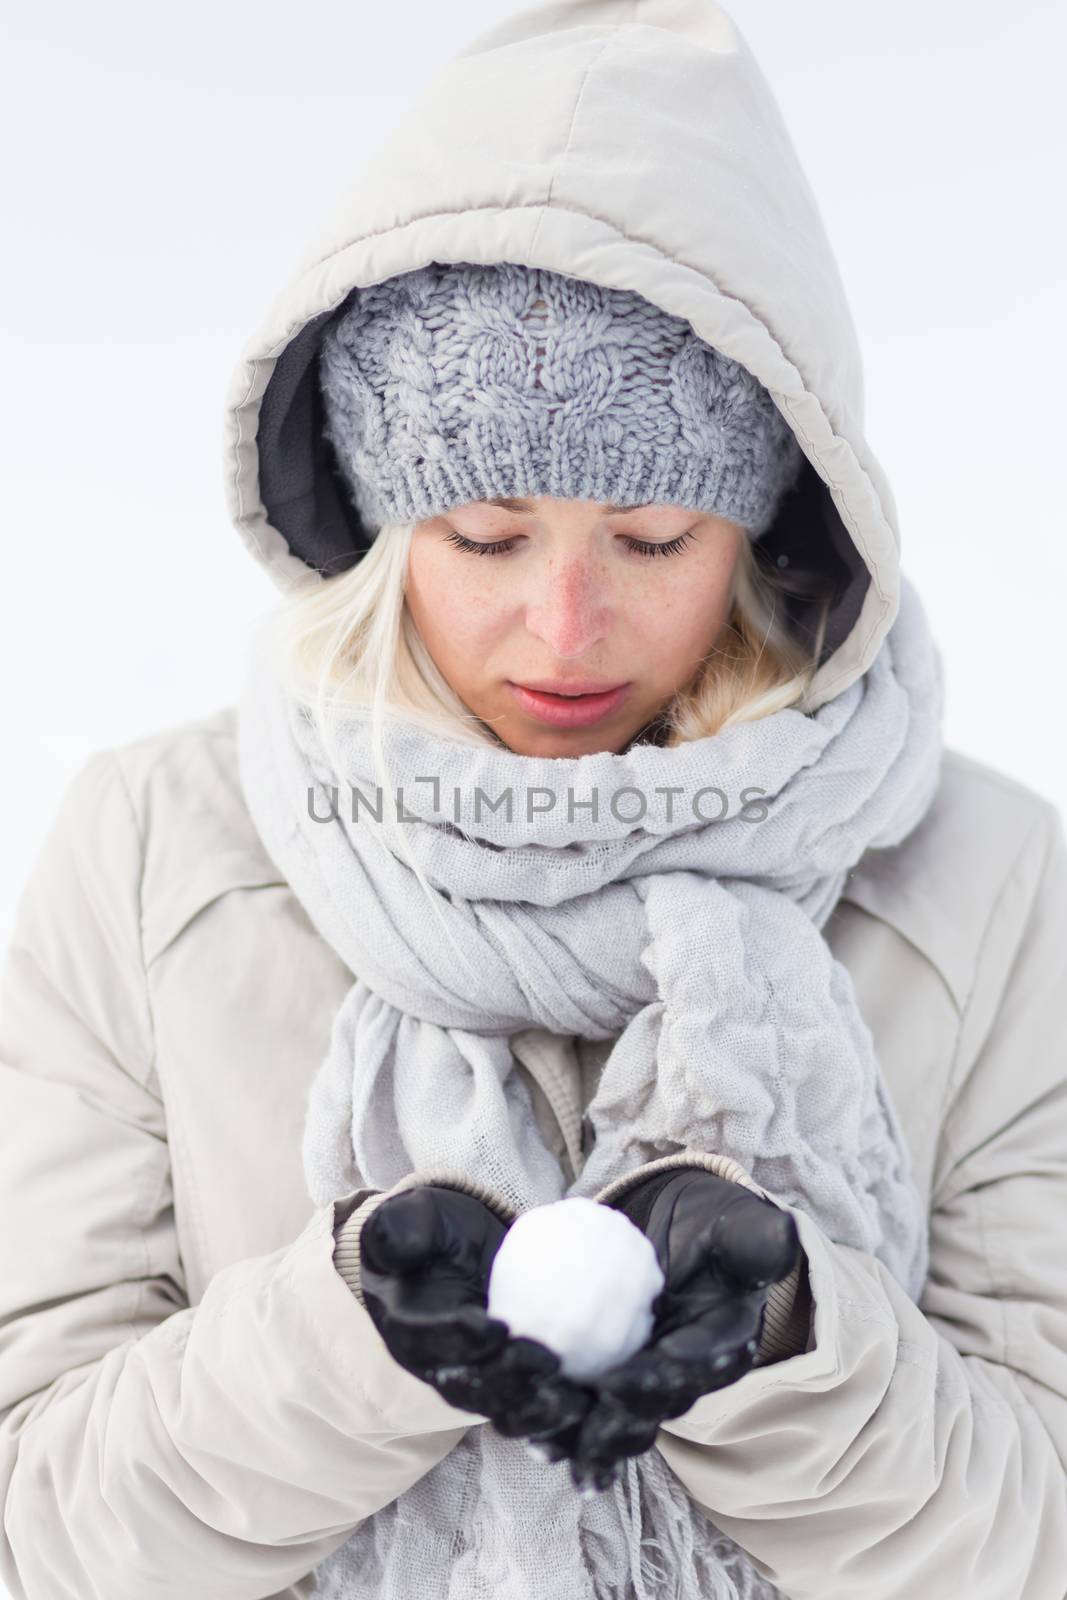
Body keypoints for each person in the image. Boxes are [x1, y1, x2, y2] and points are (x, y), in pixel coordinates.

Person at [1, 2, 1065, 1598]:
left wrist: (788, 1343)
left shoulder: (985, 880)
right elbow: (44, 1525)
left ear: (773, 531)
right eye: (486, 539)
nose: (563, 630)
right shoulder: (153, 852)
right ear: (376, 525)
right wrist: (349, 1331)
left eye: (651, 540)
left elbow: (1036, 1538)